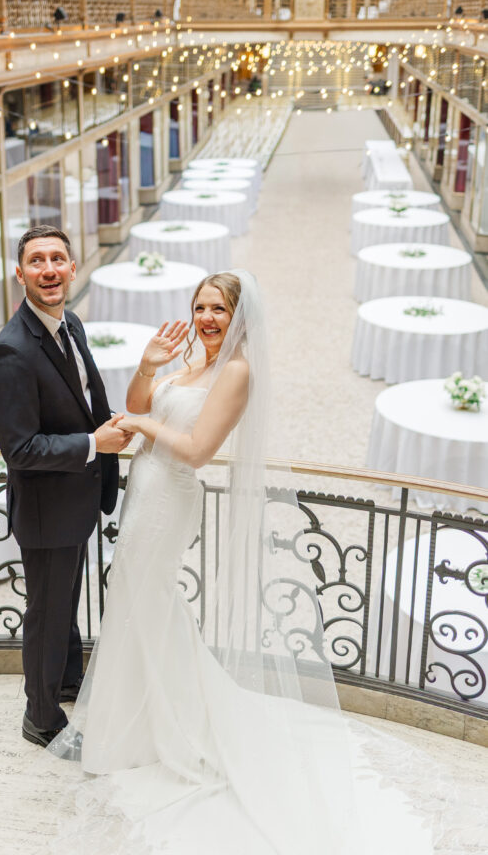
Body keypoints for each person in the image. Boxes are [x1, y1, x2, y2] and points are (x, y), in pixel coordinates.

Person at [47, 270, 433, 855]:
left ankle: (171, 727)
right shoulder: (193, 361)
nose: (206, 318)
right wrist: (148, 367)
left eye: (218, 310)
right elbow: (137, 403)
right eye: (200, 307)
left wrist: (143, 425)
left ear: (239, 317)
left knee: (147, 603)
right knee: (137, 603)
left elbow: (198, 451)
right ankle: (141, 721)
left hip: (170, 494)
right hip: (144, 489)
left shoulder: (236, 371)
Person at [0, 226, 133, 748]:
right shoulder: (11, 351)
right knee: (47, 616)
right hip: (47, 509)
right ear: (20, 274)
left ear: (72, 268)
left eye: (57, 259)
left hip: (77, 498)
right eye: (36, 261)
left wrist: (110, 426)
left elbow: (84, 398)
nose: (48, 269)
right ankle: (42, 717)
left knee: (65, 605)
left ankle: (67, 681)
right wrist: (94, 444)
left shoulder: (70, 322)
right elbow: (20, 448)